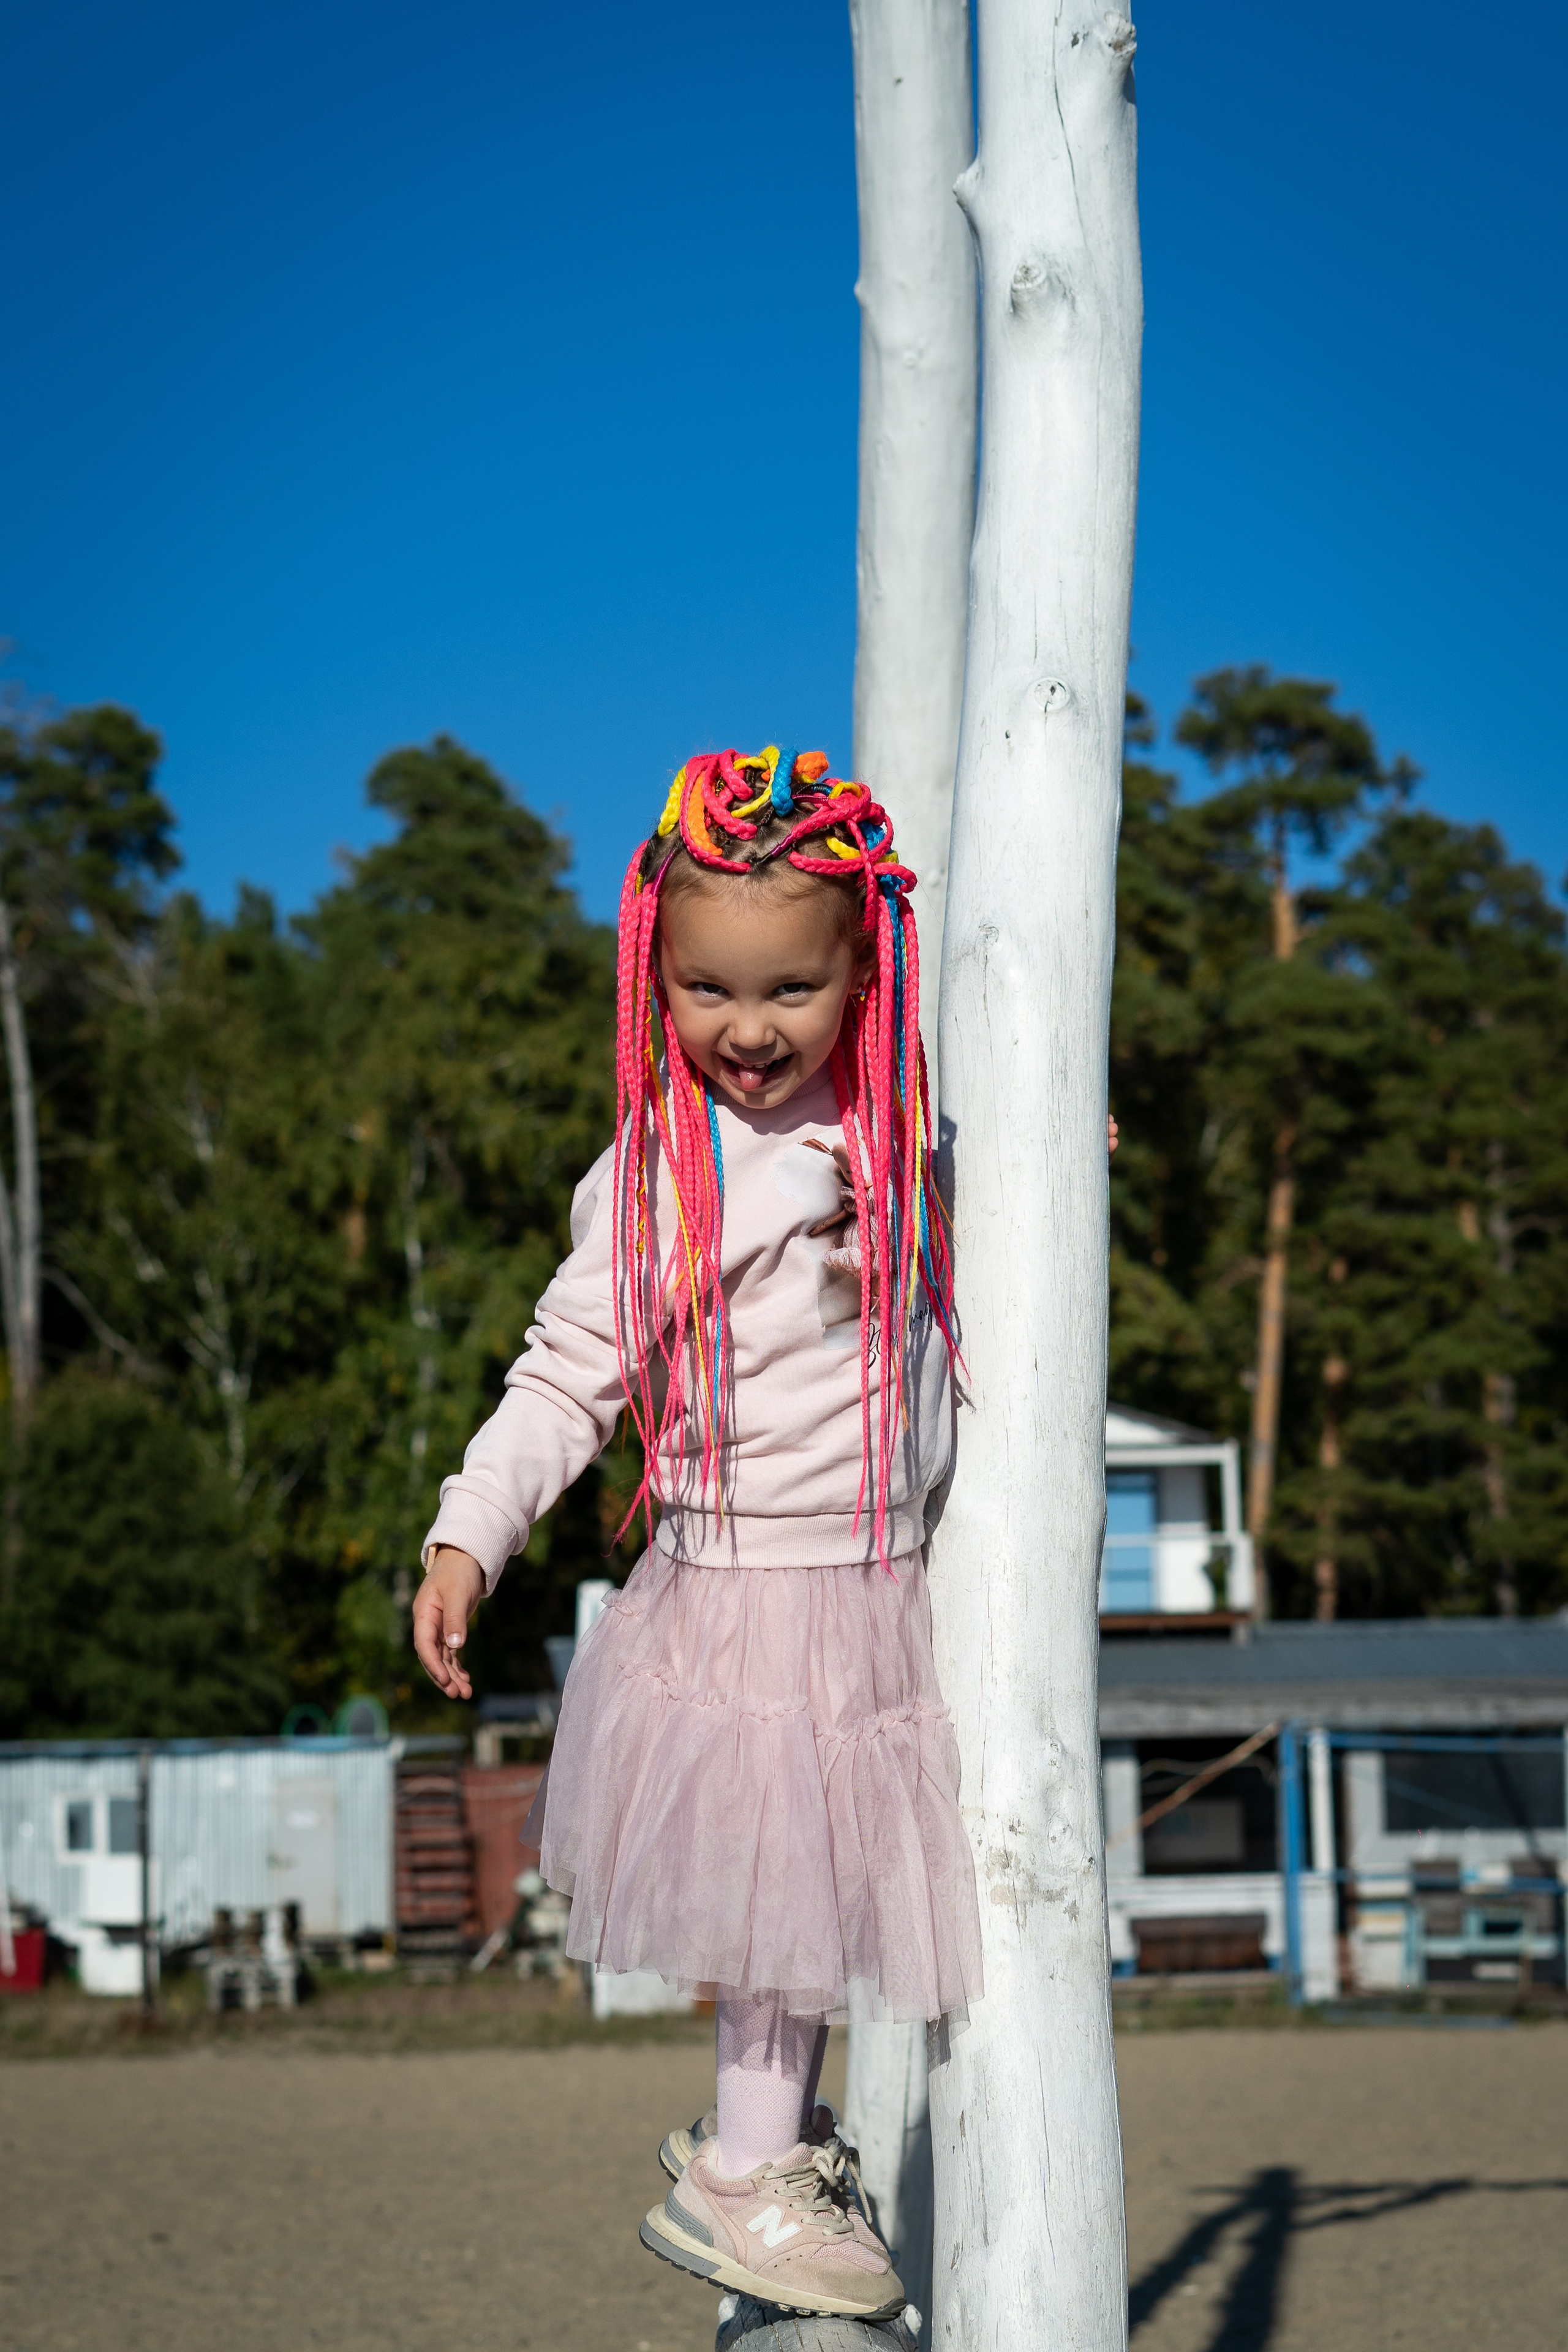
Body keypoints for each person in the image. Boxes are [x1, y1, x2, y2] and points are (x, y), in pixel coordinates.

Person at [412, 744, 982, 2322]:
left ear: (864, 969)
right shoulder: (658, 1178)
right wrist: (473, 1535)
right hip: (752, 1590)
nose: (745, 1032)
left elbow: (968, 1215)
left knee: (830, 1897)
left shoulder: (896, 1128)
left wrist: (1053, 1152)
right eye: (706, 992)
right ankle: (744, 2173)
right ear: (652, 975)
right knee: (780, 1905)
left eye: (790, 991)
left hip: (876, 1575)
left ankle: (769, 2148)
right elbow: (564, 1374)